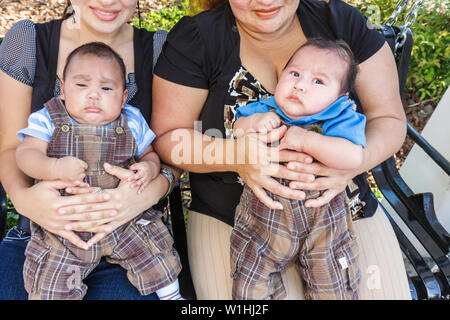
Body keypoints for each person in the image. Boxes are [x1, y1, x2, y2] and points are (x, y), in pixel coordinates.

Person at [151, 0, 411, 300]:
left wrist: (349, 164)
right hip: (238, 219)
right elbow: (169, 139)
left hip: (342, 213)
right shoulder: (198, 38)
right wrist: (238, 157)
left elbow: (388, 119)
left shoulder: (341, 23)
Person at [0, 0, 177, 300]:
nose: (108, 2)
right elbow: (10, 148)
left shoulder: (161, 49)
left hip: (129, 231)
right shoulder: (29, 42)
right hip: (43, 233)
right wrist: (26, 201)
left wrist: (147, 190)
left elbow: (172, 147)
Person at [231, 38, 364, 300]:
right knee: (249, 286)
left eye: (318, 81)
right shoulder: (267, 108)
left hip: (324, 226)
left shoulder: (340, 118)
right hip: (265, 223)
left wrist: (306, 139)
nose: (300, 85)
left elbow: (352, 157)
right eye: (294, 73)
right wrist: (254, 122)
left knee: (334, 286)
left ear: (340, 97)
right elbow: (237, 129)